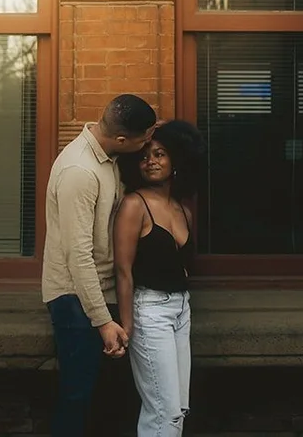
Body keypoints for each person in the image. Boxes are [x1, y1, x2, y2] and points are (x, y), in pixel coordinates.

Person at [42, 92, 158, 437]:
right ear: (123, 139)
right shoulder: (80, 171)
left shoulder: (107, 155)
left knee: (106, 398)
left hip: (98, 293)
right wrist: (103, 321)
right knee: (77, 395)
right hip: (73, 299)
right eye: (145, 139)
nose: (148, 144)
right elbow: (78, 256)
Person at [113, 119, 205, 437]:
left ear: (177, 159)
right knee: (163, 411)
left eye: (161, 153)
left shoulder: (183, 210)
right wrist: (126, 327)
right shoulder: (133, 205)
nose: (151, 161)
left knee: (177, 409)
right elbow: (123, 271)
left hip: (181, 310)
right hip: (149, 310)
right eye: (144, 155)